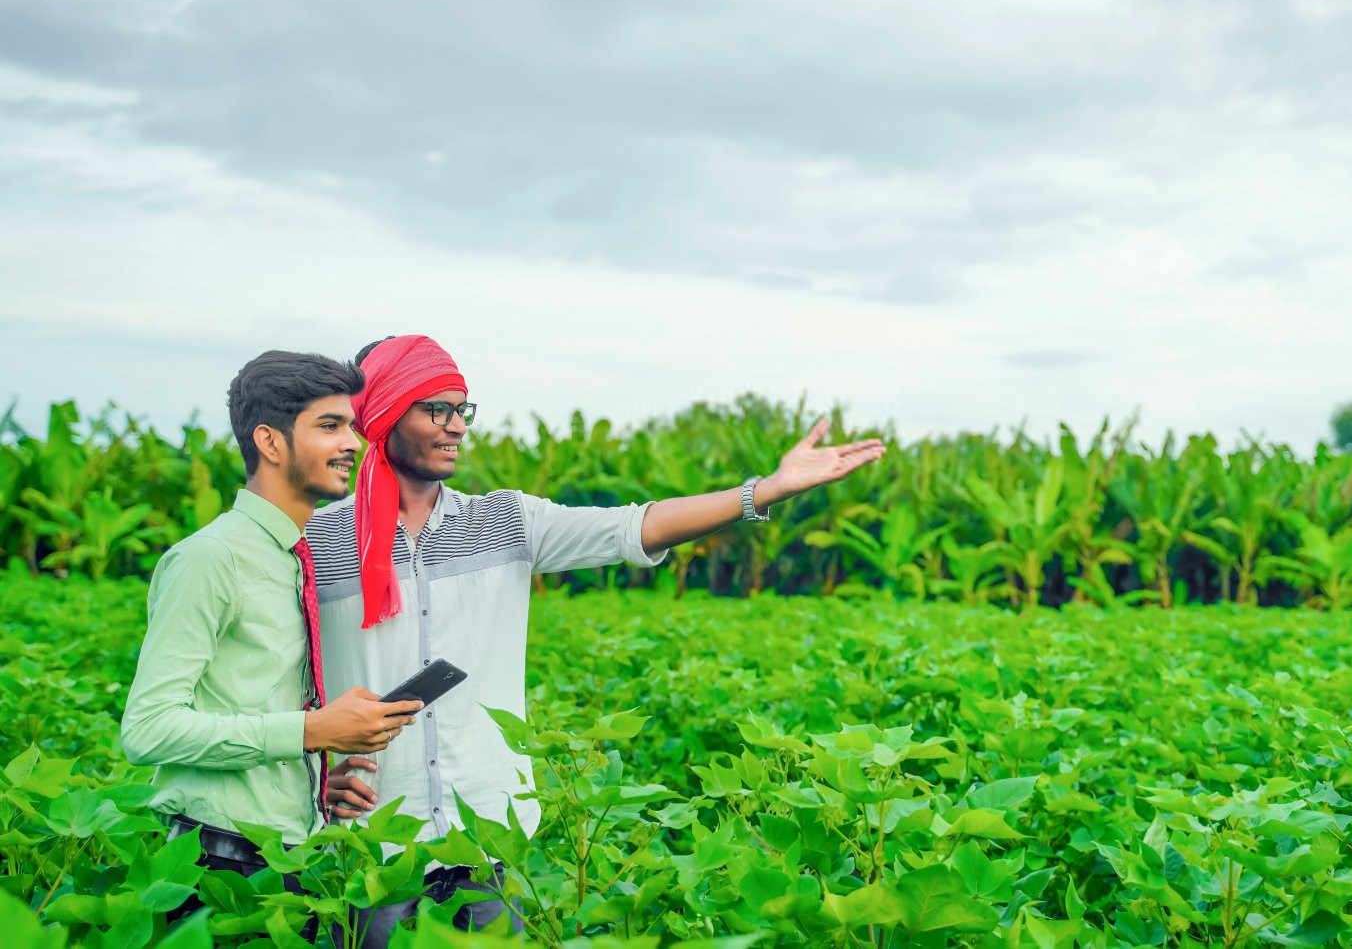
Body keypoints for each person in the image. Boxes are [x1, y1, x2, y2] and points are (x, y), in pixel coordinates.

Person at [306, 334, 885, 945]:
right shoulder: (315, 544)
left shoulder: (506, 522)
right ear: (385, 413)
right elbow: (272, 675)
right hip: (374, 836)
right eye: (437, 410)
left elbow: (632, 526)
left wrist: (762, 490)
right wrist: (314, 763)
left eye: (462, 410)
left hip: (488, 830)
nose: (456, 428)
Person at [121, 350, 424, 925]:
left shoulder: (292, 556)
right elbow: (147, 730)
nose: (353, 444)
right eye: (329, 426)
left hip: (287, 851)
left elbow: (249, 702)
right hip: (216, 863)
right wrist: (312, 730)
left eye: (352, 427)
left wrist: (311, 772)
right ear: (270, 441)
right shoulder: (211, 558)